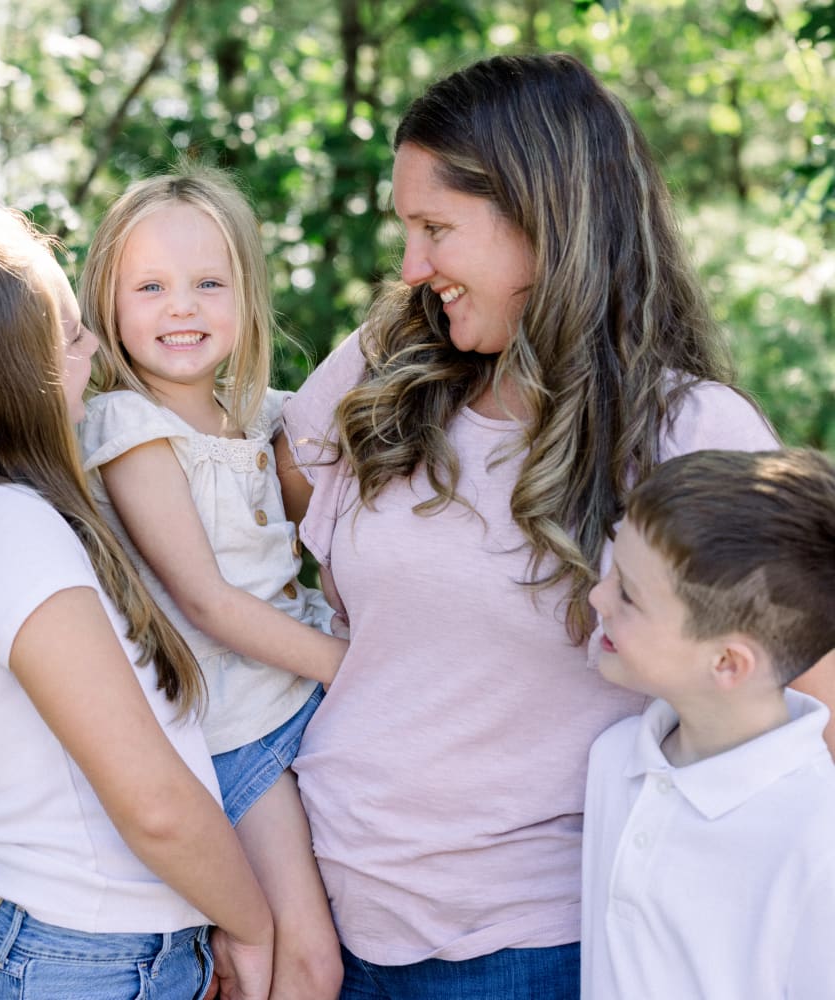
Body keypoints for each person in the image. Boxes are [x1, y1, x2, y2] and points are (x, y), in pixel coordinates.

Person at [274, 53, 788, 999]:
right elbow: (269, 507)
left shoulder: (688, 431)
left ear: (543, 222)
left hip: (529, 949)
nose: (412, 268)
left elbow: (811, 703)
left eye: (436, 230)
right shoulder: (386, 367)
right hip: (319, 921)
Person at [0, 202, 274, 1000]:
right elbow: (155, 805)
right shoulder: (6, 529)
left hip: (77, 956)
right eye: (71, 337)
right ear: (6, 369)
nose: (96, 350)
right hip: (84, 966)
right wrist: (253, 923)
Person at [77, 168, 345, 1000]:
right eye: (150, 286)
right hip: (236, 728)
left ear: (247, 296)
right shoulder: (129, 427)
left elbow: (333, 496)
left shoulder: (258, 414)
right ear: (108, 305)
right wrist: (360, 664)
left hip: (298, 699)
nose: (181, 306)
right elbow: (206, 600)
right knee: (302, 962)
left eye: (208, 284)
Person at [582, 448, 835, 999]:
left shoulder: (820, 843)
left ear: (727, 663)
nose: (597, 595)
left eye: (628, 594)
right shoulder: (615, 761)